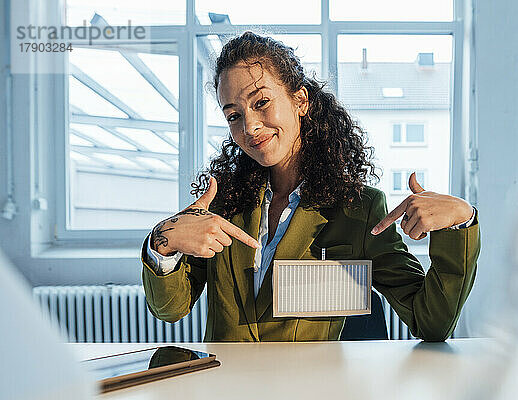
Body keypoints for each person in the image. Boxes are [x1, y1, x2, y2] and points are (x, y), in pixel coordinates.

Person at [141, 31, 480, 342]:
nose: (250, 126)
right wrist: (163, 242)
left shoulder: (359, 210)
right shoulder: (222, 202)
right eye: (233, 115)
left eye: (261, 103)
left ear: (300, 101)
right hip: (225, 387)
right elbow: (170, 309)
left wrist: (460, 223)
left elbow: (431, 322)